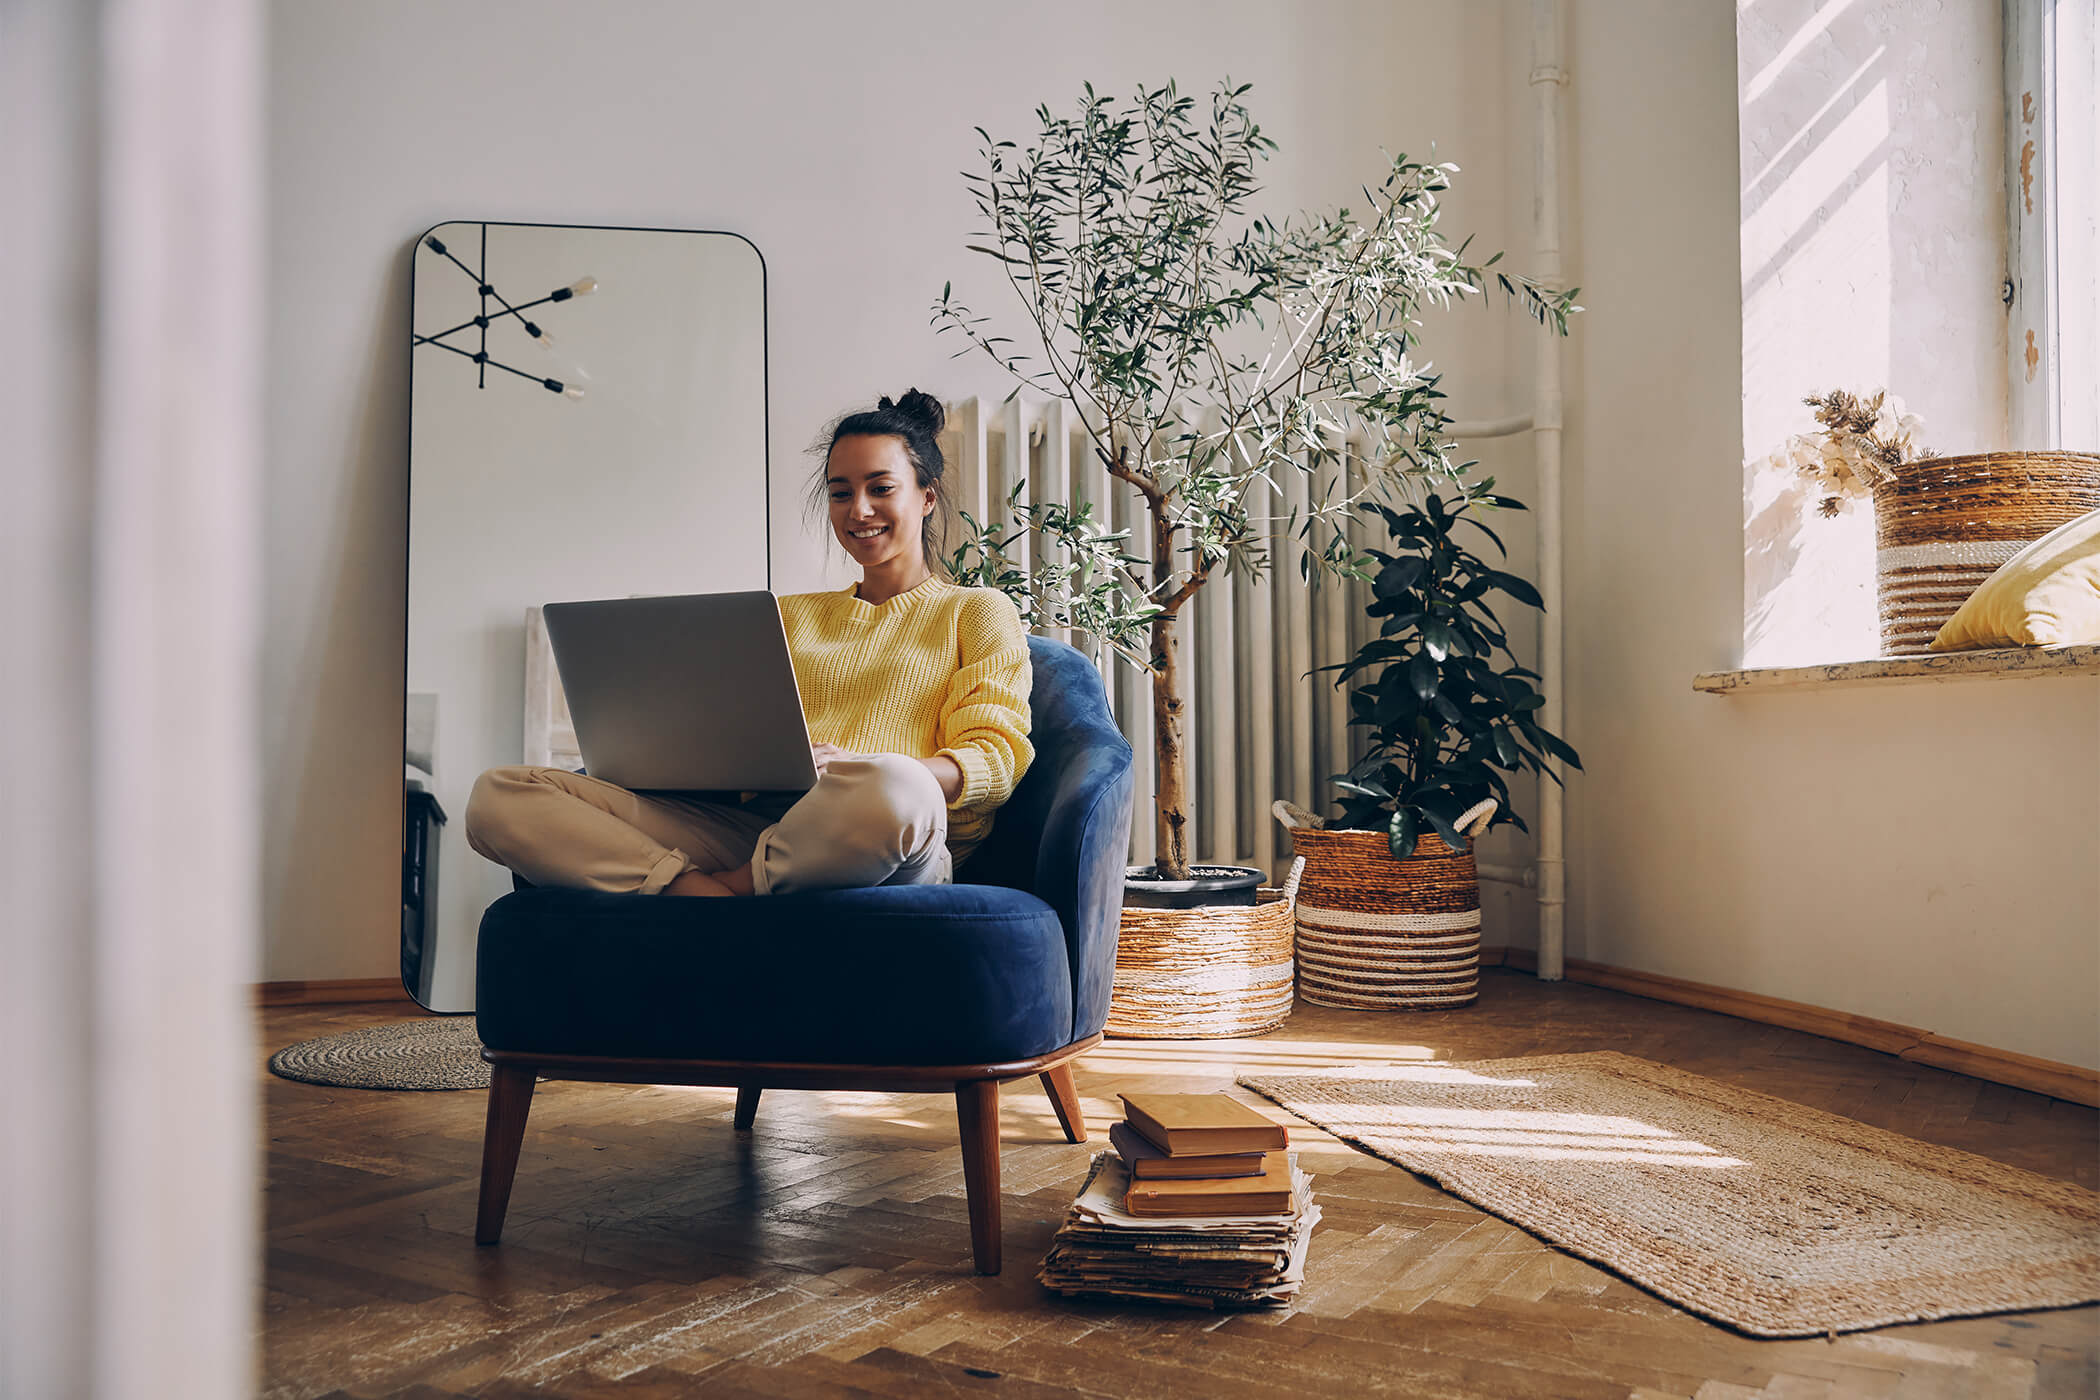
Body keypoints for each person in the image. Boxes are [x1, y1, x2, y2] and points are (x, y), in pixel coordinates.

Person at [463, 389, 1033, 897]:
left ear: (926, 498)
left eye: (880, 488)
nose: (858, 510)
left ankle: (725, 892)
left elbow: (994, 758)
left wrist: (868, 765)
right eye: (840, 493)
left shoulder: (976, 611)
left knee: (896, 786)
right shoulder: (784, 617)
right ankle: (694, 891)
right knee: (499, 795)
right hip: (755, 828)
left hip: (887, 834)